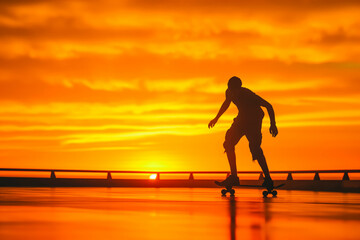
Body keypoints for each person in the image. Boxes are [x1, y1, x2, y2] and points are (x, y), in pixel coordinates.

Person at [208, 76, 278, 189]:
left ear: (239, 88)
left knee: (255, 149)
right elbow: (226, 103)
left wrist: (273, 124)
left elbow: (268, 106)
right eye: (230, 89)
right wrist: (216, 118)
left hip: (254, 120)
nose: (232, 93)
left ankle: (268, 179)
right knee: (228, 143)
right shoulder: (229, 92)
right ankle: (234, 176)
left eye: (234, 90)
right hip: (241, 119)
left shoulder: (248, 94)